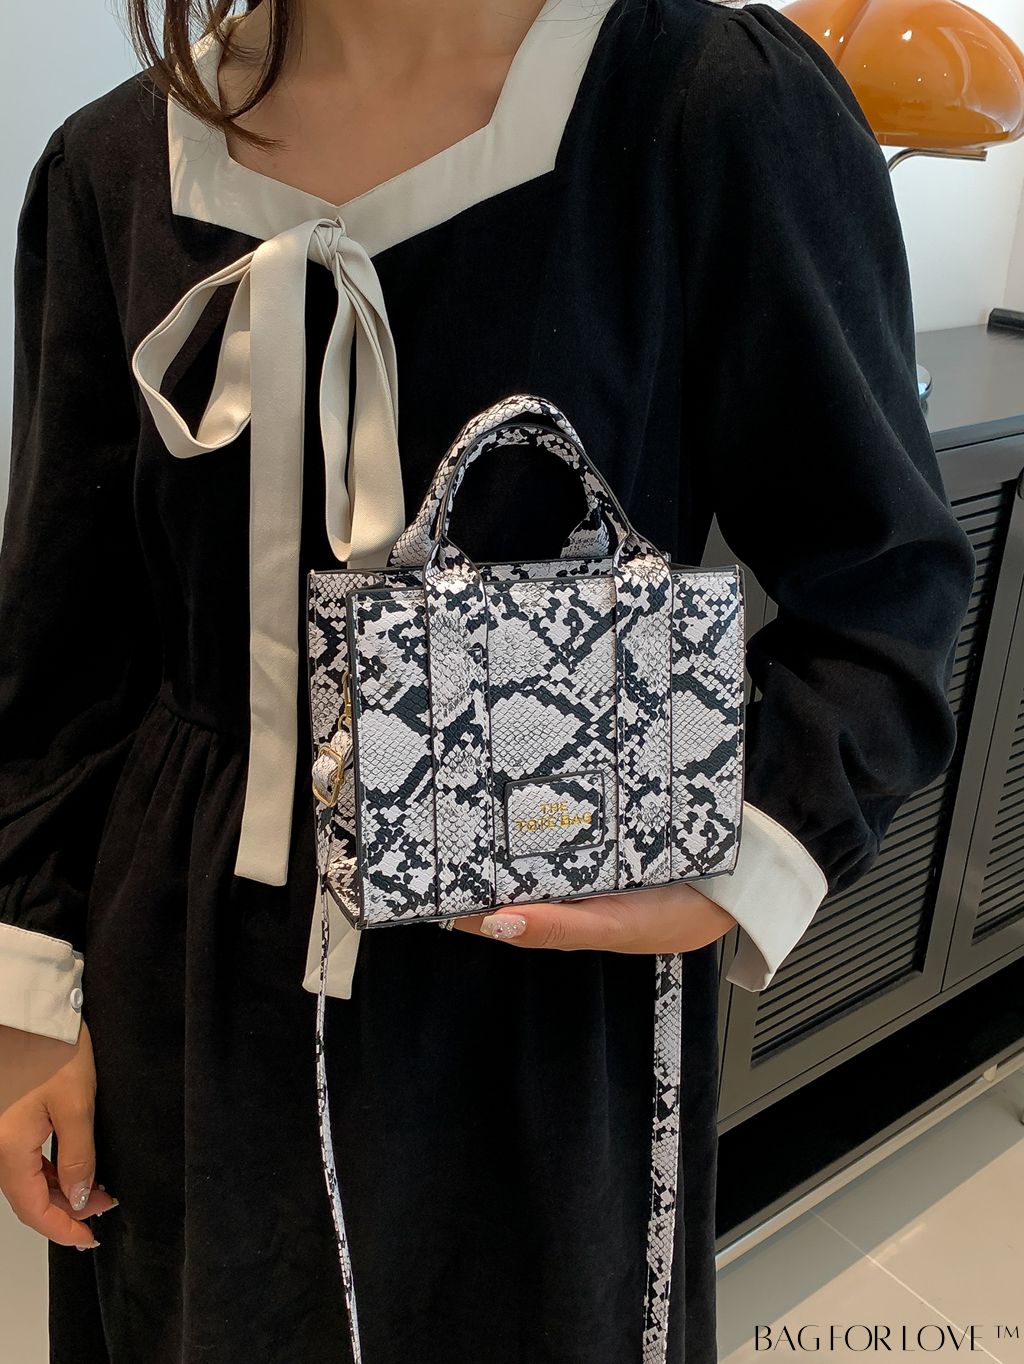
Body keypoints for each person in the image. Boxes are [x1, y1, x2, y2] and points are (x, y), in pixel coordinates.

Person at [0, 0, 976, 1359]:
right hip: (183, 966)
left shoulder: (704, 109)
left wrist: (732, 859)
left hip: (539, 982)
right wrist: (31, 998)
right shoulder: (113, 165)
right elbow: (59, 641)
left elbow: (883, 587)